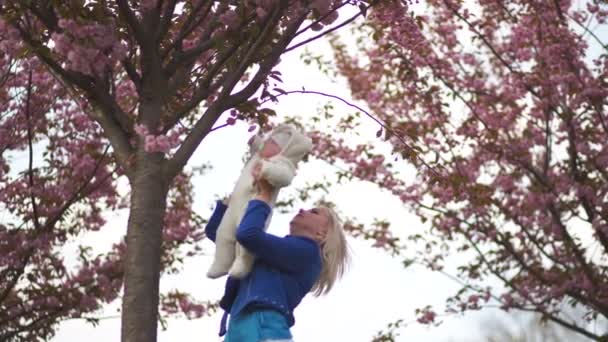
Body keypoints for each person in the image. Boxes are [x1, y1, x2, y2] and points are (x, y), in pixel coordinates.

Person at [204, 162, 350, 342]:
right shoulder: (275, 253)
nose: (302, 210)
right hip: (239, 325)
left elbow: (248, 235)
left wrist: (264, 197)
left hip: (263, 323)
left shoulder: (308, 253)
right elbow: (218, 234)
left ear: (322, 233)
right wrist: (236, 199)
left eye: (314, 212)